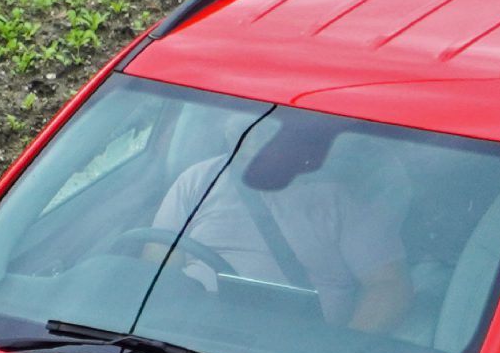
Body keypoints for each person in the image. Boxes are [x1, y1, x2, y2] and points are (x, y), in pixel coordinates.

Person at [148, 122, 411, 332]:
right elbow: (157, 268)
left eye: (266, 126)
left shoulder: (339, 197)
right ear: (225, 128)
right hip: (192, 336)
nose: (252, 132)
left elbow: (388, 285)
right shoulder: (199, 180)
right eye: (242, 123)